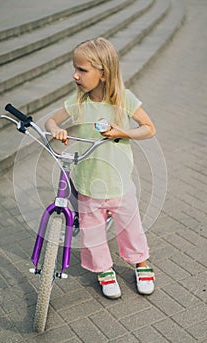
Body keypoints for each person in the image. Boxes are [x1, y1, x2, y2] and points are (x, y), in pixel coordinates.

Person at [45, 37, 156, 299]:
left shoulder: (124, 100)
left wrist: (124, 132)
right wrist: (56, 130)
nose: (75, 75)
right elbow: (51, 120)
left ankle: (140, 262)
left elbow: (149, 128)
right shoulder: (78, 101)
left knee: (130, 226)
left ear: (103, 74)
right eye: (75, 68)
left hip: (118, 182)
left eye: (82, 70)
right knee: (93, 232)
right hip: (88, 182)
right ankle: (104, 269)